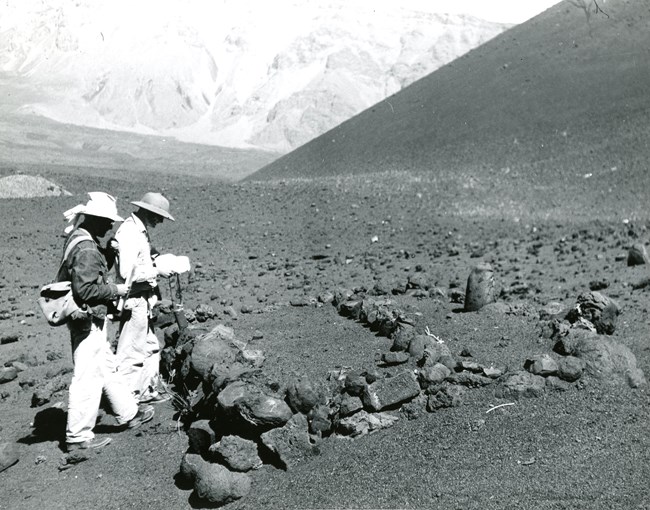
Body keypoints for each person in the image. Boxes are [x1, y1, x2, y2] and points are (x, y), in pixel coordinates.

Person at [57, 192, 155, 453]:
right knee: (87, 376)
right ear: (95, 219)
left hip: (87, 318)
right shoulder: (87, 249)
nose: (111, 226)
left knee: (106, 366)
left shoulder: (80, 239)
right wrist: (116, 291)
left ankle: (129, 413)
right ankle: (78, 437)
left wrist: (108, 254)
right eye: (108, 222)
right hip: (86, 318)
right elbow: (86, 290)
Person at [114, 192, 176, 404]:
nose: (160, 221)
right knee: (131, 353)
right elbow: (126, 273)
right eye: (159, 216)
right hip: (135, 299)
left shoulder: (140, 231)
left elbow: (144, 259)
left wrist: (158, 260)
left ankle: (146, 392)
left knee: (150, 347)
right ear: (148, 212)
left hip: (143, 299)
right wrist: (157, 270)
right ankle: (127, 403)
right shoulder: (130, 233)